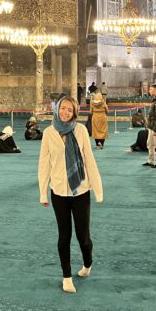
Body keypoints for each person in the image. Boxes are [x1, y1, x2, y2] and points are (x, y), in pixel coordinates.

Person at [38, 95, 103, 294]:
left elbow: (89, 161)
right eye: (62, 108)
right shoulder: (49, 133)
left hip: (81, 190)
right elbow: (43, 164)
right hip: (58, 191)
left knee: (83, 237)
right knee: (64, 236)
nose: (65, 112)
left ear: (75, 112)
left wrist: (98, 189)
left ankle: (87, 263)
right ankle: (66, 276)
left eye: (69, 109)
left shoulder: (80, 130)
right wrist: (43, 192)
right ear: (57, 109)